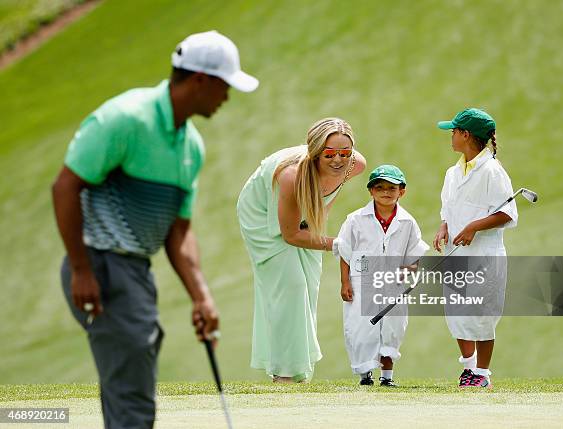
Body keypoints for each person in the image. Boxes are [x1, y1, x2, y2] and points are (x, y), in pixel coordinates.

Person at [51, 30, 258, 428]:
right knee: (133, 402)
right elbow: (65, 186)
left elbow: (178, 232)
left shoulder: (190, 147)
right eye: (224, 86)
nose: (227, 97)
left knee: (128, 389)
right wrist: (81, 268)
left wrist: (202, 297)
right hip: (102, 266)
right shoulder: (125, 118)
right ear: (200, 80)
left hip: (134, 273)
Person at [237, 118, 366, 383]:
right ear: (316, 152)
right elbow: (291, 234)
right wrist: (338, 244)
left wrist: (317, 225)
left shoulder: (355, 166)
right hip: (260, 213)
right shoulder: (291, 176)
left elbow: (327, 196)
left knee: (309, 284)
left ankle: (300, 371)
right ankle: (284, 373)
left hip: (301, 212)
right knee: (291, 286)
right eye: (329, 154)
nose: (338, 160)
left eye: (345, 153)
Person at [433, 108, 518, 388]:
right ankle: (468, 370)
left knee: (482, 315)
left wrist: (473, 227)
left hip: (484, 258)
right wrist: (445, 226)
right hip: (456, 255)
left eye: (454, 131)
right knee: (457, 313)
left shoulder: (493, 171)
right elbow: (448, 207)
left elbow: (508, 214)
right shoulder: (452, 172)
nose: (451, 135)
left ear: (466, 135)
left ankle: (482, 374)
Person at [334, 165, 429, 387]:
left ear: (401, 192)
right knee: (361, 329)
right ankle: (365, 376)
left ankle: (387, 377)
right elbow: (345, 253)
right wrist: (345, 282)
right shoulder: (355, 219)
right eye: (379, 187)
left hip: (393, 283)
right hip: (362, 281)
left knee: (392, 329)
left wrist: (408, 270)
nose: (385, 192)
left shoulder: (407, 222)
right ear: (371, 191)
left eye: (391, 188)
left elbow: (414, 254)